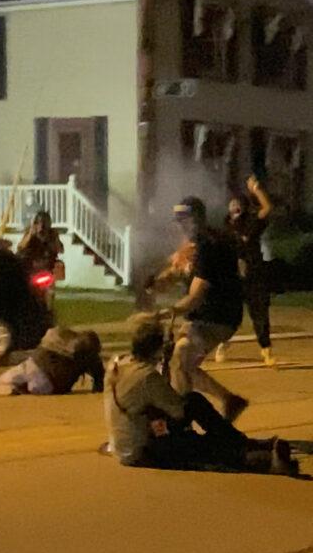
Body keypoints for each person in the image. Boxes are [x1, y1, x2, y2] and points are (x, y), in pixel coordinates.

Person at [104, 320, 297, 475]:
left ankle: (246, 445)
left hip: (128, 439)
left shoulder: (118, 363)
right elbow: (177, 410)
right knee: (202, 439)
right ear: (156, 349)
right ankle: (263, 459)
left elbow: (154, 398)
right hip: (143, 448)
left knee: (194, 408)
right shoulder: (147, 376)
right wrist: (166, 363)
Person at [158, 196, 249, 422]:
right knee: (181, 363)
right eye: (177, 222)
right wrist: (159, 281)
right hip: (208, 316)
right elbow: (180, 270)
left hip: (216, 317)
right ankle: (229, 400)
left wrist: (168, 312)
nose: (180, 226)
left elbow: (196, 296)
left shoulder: (208, 246)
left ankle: (181, 420)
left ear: (197, 219)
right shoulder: (197, 245)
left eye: (184, 221)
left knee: (180, 357)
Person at [0, 327, 104, 396]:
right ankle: (13, 389)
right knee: (21, 384)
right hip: (51, 388)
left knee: (0, 379)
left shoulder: (58, 340)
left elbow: (36, 354)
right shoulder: (91, 358)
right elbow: (100, 383)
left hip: (35, 369)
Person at [216, 175, 276, 366]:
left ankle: (266, 350)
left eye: (238, 204)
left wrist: (256, 189)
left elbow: (267, 208)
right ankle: (222, 344)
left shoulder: (251, 222)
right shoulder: (225, 227)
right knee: (228, 313)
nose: (235, 207)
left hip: (254, 275)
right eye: (232, 204)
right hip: (233, 277)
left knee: (259, 312)